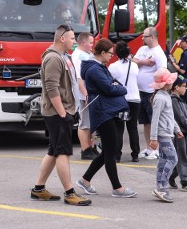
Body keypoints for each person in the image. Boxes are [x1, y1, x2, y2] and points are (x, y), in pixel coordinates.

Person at [30, 24, 91, 206]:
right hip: (57, 113)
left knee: (54, 150)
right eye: (72, 38)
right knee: (63, 152)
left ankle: (39, 189)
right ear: (62, 38)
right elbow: (51, 88)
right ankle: (69, 193)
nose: (74, 41)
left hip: (61, 111)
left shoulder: (63, 57)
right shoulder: (54, 59)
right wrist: (64, 114)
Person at [76, 39, 137, 198]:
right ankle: (117, 188)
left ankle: (85, 180)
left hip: (105, 111)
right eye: (110, 53)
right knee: (110, 151)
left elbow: (110, 85)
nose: (112, 56)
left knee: (109, 150)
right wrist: (123, 89)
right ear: (102, 53)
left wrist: (115, 86)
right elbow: (109, 88)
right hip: (102, 112)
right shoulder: (95, 69)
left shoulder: (98, 67)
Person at [149, 68, 183, 203]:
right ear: (165, 83)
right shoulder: (160, 98)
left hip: (166, 132)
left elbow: (170, 116)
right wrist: (153, 138)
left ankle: (160, 186)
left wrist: (176, 129)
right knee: (173, 158)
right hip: (163, 134)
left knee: (164, 160)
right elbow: (155, 119)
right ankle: (162, 187)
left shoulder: (165, 96)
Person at [133, 27, 167, 159]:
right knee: (145, 121)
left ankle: (156, 148)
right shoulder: (142, 49)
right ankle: (148, 147)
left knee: (154, 121)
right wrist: (144, 62)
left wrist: (157, 92)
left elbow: (162, 72)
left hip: (151, 92)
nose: (142, 38)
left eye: (145, 36)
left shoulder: (159, 53)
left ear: (153, 37)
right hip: (140, 91)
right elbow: (134, 61)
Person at [108, 41, 141, 162]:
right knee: (133, 128)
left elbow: (110, 82)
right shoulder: (134, 66)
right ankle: (135, 154)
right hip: (135, 99)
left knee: (119, 129)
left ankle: (117, 155)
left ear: (116, 53)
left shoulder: (113, 67)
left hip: (120, 99)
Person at [71, 32, 99, 160]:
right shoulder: (77, 56)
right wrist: (86, 94)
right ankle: (85, 149)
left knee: (91, 122)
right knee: (84, 123)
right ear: (83, 42)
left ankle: (91, 147)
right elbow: (79, 78)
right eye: (91, 43)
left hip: (90, 92)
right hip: (84, 93)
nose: (92, 45)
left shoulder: (87, 54)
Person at [169, 75, 187, 192]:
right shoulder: (174, 101)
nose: (186, 88)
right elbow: (180, 117)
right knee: (182, 158)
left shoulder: (181, 100)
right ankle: (185, 182)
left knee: (182, 157)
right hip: (179, 133)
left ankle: (171, 176)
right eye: (184, 86)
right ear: (176, 87)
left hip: (185, 132)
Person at [170, 34, 187, 123]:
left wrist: (173, 64)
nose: (180, 43)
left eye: (182, 41)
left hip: (186, 82)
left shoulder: (186, 54)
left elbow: (182, 71)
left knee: (184, 104)